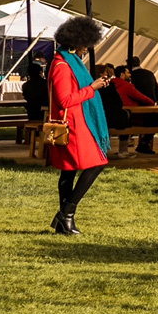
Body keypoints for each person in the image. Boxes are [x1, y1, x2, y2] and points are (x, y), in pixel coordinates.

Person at [43, 16, 111, 236]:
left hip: (77, 123)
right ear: (76, 42)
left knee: (69, 172)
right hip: (72, 127)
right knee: (96, 163)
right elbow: (65, 100)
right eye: (85, 45)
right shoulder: (63, 66)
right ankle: (67, 214)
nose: (85, 50)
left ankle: (64, 220)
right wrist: (93, 88)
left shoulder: (66, 61)